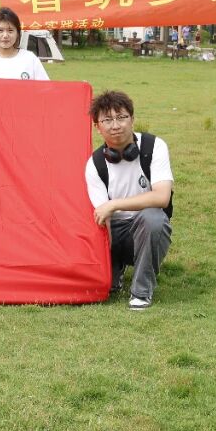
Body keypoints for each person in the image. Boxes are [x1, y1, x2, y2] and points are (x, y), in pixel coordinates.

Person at [84, 91, 173, 310]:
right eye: (107, 120)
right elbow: (103, 218)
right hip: (113, 232)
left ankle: (141, 292)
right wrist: (106, 267)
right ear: (97, 127)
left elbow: (162, 197)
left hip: (146, 229)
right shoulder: (95, 164)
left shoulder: (154, 146)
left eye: (121, 117)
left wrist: (114, 204)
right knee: (109, 284)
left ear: (132, 119)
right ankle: (116, 268)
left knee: (153, 218)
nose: (115, 125)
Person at [0, 7, 49, 80]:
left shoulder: (30, 59)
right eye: (0, 30)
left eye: (10, 30)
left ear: (17, 33)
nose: (5, 35)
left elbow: (45, 88)